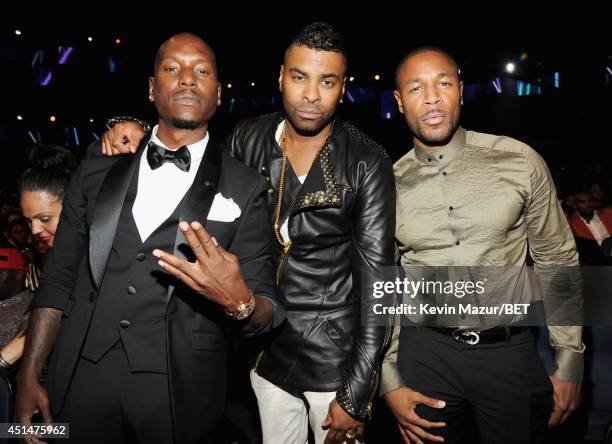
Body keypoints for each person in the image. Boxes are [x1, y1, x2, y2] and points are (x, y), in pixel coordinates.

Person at [101, 22, 394, 444]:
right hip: (264, 355)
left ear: (343, 87)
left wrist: (357, 394)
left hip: (336, 361)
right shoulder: (248, 136)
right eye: (299, 77)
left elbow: (379, 284)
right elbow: (186, 157)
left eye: (326, 81)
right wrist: (126, 125)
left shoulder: (367, 162)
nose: (311, 94)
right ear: (280, 77)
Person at [15, 32, 283, 444]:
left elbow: (267, 306)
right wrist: (29, 376)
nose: (188, 79)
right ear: (152, 88)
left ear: (217, 93)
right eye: (172, 68)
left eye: (202, 71)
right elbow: (57, 280)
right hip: (81, 376)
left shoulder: (246, 187)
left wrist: (240, 304)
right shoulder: (99, 168)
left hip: (180, 392)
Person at [381, 47, 584, 443]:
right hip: (424, 355)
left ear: (460, 89)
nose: (432, 97)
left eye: (443, 83)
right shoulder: (386, 184)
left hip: (507, 351)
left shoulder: (520, 161)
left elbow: (557, 258)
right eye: (416, 87)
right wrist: (388, 379)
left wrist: (569, 359)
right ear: (399, 100)